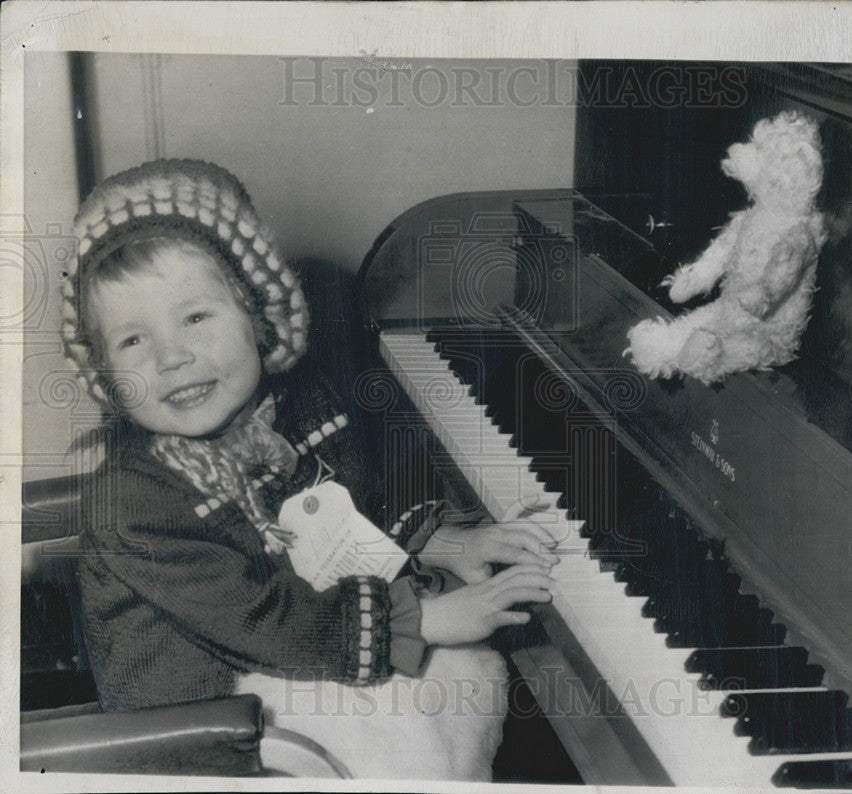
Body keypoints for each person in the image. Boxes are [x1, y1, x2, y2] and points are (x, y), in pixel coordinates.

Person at [62, 159, 559, 780]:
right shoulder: (132, 501)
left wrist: (443, 543)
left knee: (466, 673)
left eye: (195, 317)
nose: (170, 358)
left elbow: (349, 520)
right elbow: (261, 617)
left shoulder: (302, 408)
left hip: (303, 654)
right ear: (104, 370)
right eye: (131, 340)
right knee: (425, 706)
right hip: (212, 732)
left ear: (260, 314)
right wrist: (422, 618)